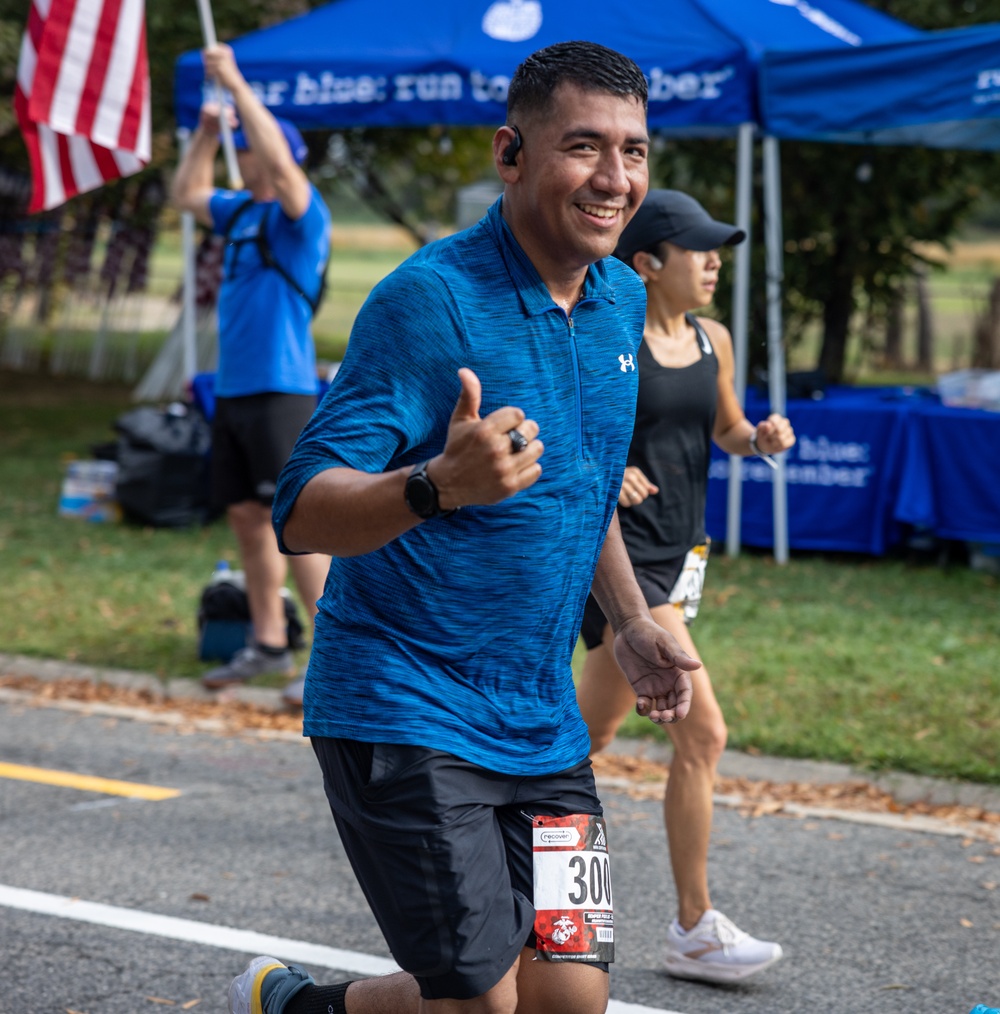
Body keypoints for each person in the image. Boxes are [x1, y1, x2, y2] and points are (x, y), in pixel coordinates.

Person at [224, 41, 704, 1014]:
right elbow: (301, 509)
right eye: (582, 147)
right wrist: (434, 486)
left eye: (635, 151)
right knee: (480, 1001)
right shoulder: (430, 302)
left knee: (568, 999)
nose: (615, 179)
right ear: (510, 154)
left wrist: (630, 618)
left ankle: (305, 1008)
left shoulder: (617, 298)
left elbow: (584, 483)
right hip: (406, 706)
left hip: (541, 722)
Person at [576, 188, 796, 985]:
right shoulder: (609, 338)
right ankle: (695, 926)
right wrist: (615, 469)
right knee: (702, 735)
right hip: (623, 567)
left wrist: (758, 438)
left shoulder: (713, 339)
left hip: (682, 555)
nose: (711, 263)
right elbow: (571, 430)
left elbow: (726, 427)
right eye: (696, 250)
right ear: (647, 263)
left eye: (716, 250)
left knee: (583, 742)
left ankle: (490, 818)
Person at [170, 44, 331, 704]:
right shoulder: (240, 212)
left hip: (281, 391)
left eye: (263, 150)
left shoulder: (302, 218)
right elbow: (186, 193)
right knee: (246, 517)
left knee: (298, 526)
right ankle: (268, 642)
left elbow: (289, 176)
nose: (255, 157)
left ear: (277, 155)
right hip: (233, 391)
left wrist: (235, 84)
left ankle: (331, 656)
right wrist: (208, 135)